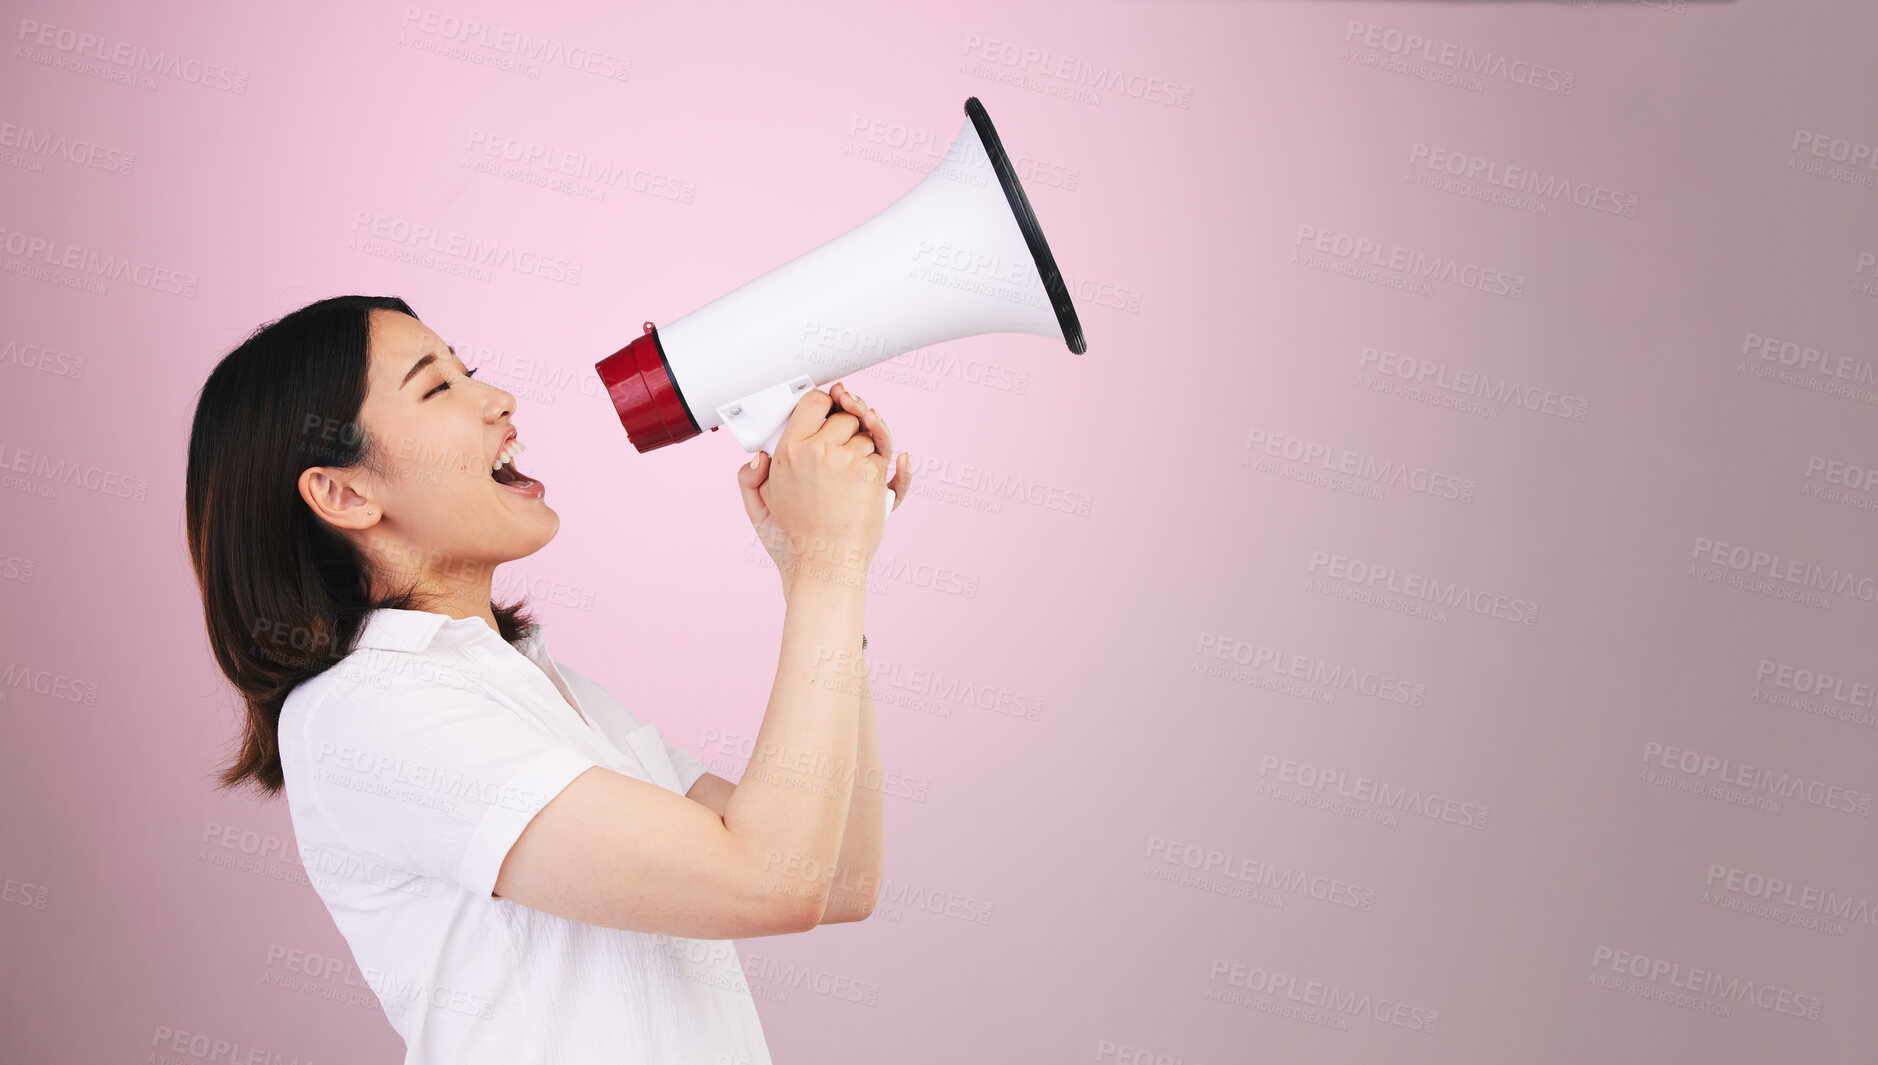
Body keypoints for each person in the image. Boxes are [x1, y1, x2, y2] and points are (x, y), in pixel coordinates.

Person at [183, 294, 911, 1063]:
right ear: (344, 492)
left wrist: (824, 578)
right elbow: (769, 881)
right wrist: (829, 563)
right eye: (436, 388)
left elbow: (835, 880)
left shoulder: (535, 681)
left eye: (470, 372)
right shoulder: (365, 710)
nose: (499, 398)